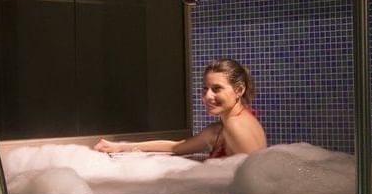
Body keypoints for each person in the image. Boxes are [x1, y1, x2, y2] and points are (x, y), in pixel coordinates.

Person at [94, 59, 266, 159]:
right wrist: (119, 147)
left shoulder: (236, 126)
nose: (207, 96)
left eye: (217, 89)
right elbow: (176, 147)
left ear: (239, 90)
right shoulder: (221, 129)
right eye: (205, 89)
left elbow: (256, 182)